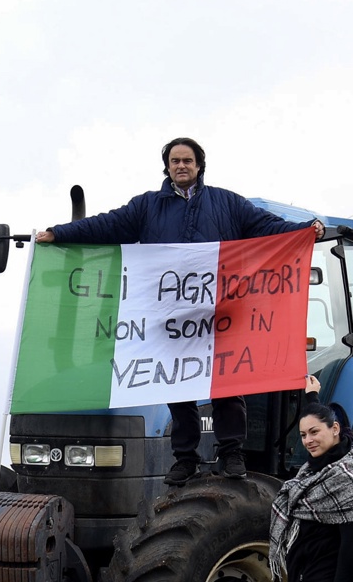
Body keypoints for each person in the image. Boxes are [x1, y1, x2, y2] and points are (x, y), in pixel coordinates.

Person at [35, 137, 324, 485]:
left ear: (199, 165)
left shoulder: (228, 204)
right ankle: (185, 458)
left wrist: (305, 230)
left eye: (188, 160)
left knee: (227, 386)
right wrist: (59, 233)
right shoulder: (147, 207)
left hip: (222, 313)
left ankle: (231, 453)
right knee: (176, 388)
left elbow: (266, 226)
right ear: (167, 166)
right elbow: (106, 225)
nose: (181, 166)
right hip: (171, 316)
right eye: (175, 161)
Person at [268, 374, 353, 582]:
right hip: (304, 567)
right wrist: (312, 397)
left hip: (328, 571)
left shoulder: (349, 478)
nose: (308, 440)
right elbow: (321, 420)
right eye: (303, 435)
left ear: (335, 429)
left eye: (313, 432)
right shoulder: (312, 471)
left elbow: (350, 544)